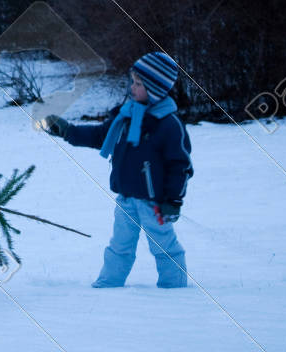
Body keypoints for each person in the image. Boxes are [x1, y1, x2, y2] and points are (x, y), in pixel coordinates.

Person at [38, 51, 192, 289]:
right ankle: (108, 284)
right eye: (132, 81)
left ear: (156, 89)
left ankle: (175, 287)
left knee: (163, 245)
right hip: (126, 197)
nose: (133, 87)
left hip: (156, 203)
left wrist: (173, 200)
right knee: (120, 245)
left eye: (139, 84)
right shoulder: (126, 115)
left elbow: (180, 166)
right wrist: (68, 130)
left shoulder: (168, 125)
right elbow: (100, 135)